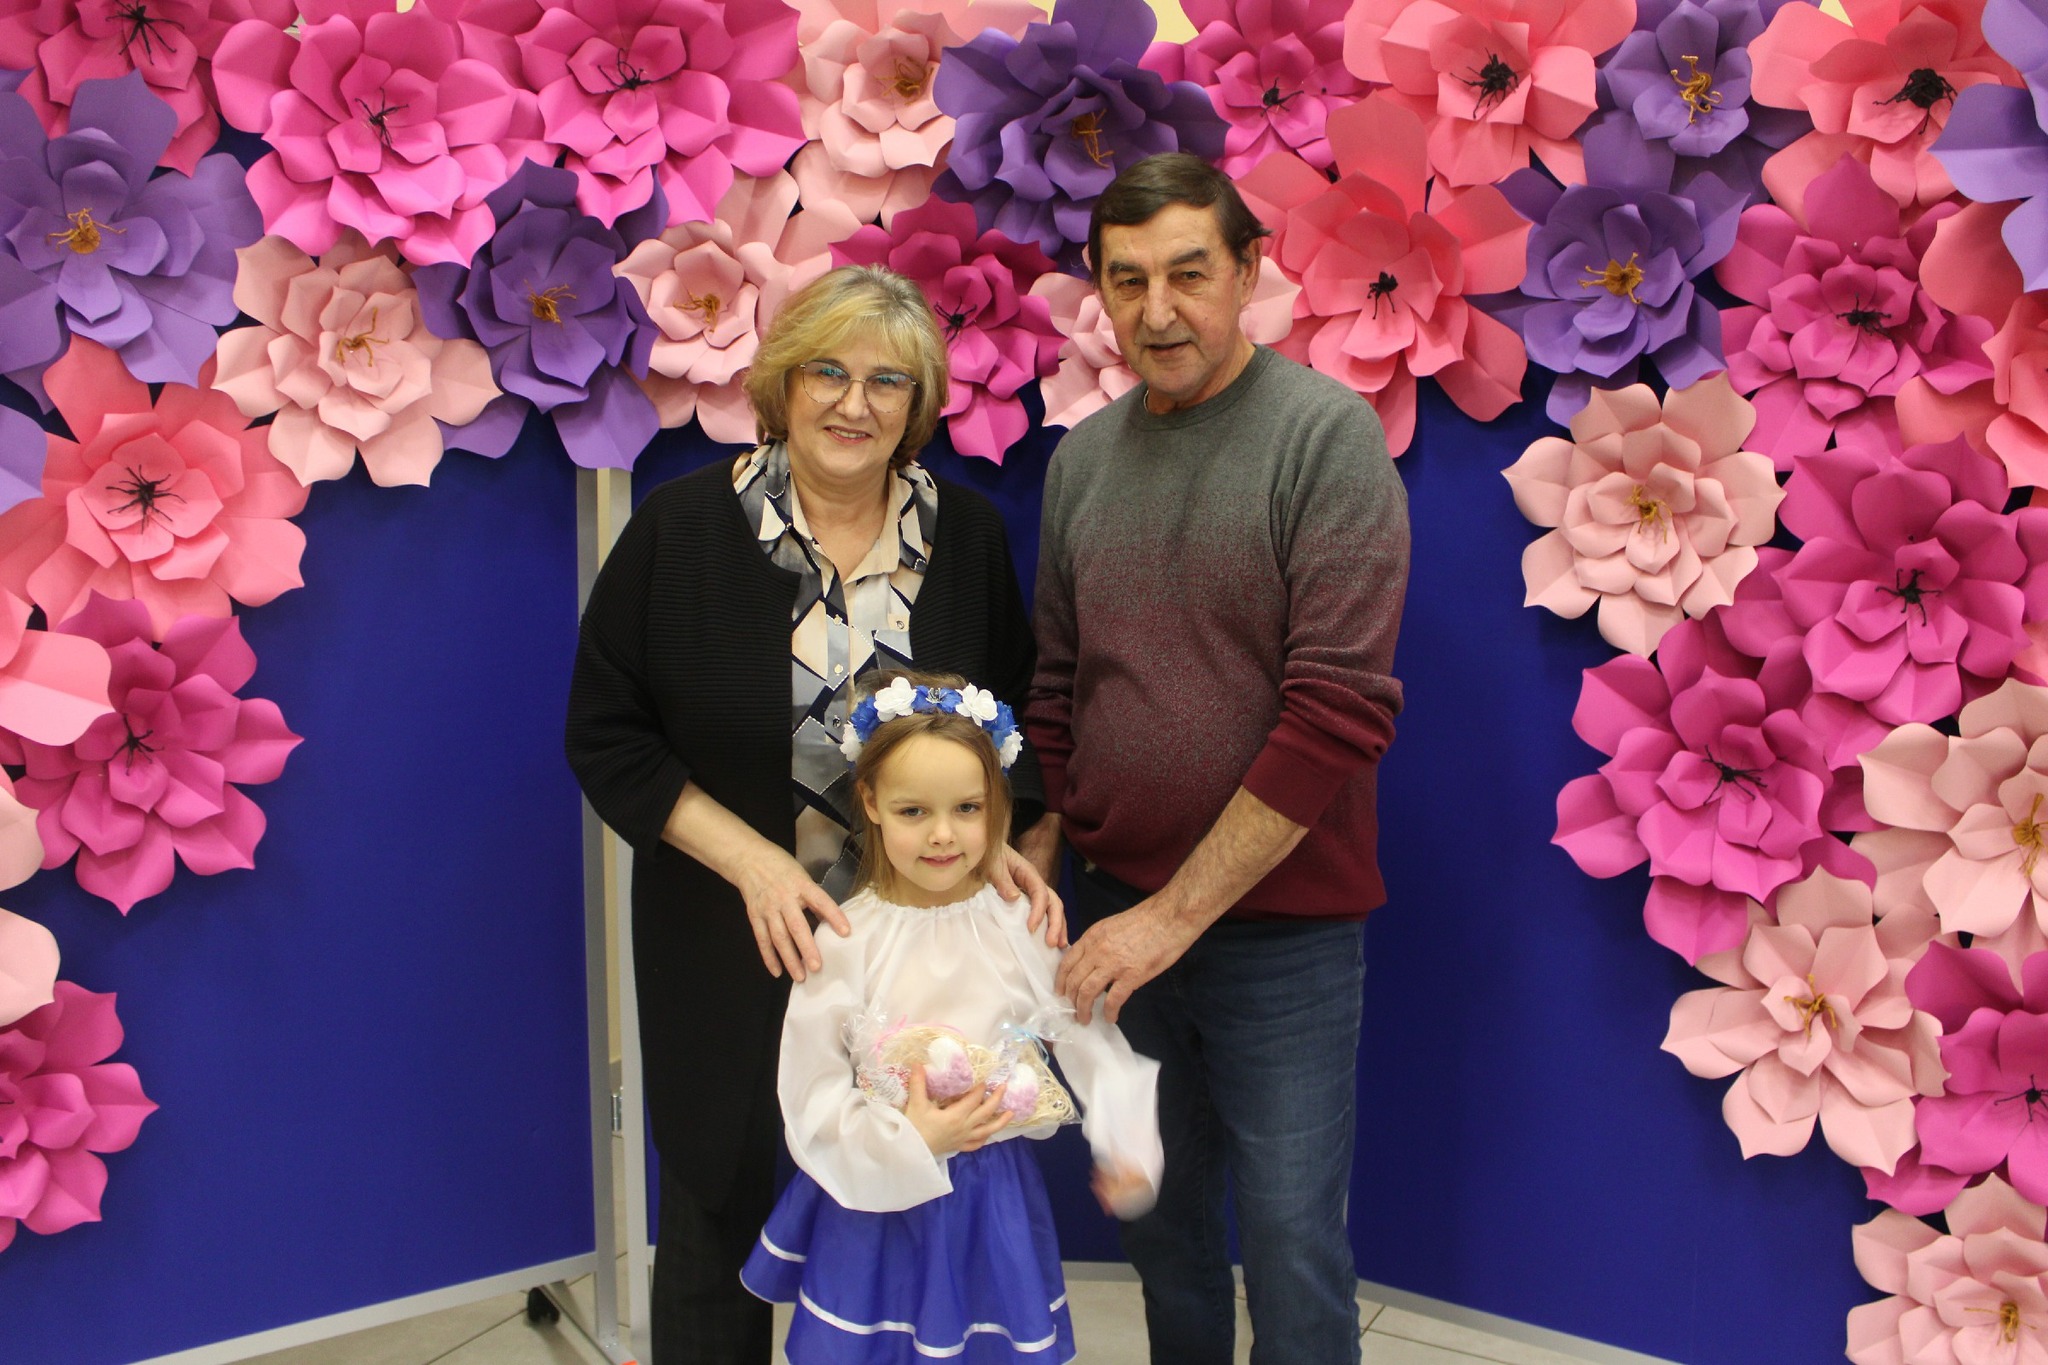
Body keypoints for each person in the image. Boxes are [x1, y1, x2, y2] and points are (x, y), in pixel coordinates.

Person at [564, 266, 1061, 1365]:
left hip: (918, 962)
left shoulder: (967, 539)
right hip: (733, 942)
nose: (854, 403)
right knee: (719, 1221)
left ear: (919, 405)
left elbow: (1018, 719)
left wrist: (1010, 841)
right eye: (827, 371)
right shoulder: (680, 530)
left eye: (888, 381)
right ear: (781, 383)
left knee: (913, 1226)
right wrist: (752, 863)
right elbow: (607, 733)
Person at [1019, 153, 1410, 1365]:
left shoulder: (1325, 439)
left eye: (1188, 273)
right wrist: (1035, 856)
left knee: (1290, 1242)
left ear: (1247, 272)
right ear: (1098, 288)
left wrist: (1172, 919)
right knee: (1160, 1227)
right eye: (1126, 280)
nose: (1157, 310)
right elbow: (1056, 689)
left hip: (1278, 939)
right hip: (1110, 923)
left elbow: (1336, 713)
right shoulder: (1081, 463)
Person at [741, 670, 1162, 1364]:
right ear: (871, 802)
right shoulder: (846, 938)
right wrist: (903, 1138)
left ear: (997, 802)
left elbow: (1088, 1037)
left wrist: (1130, 1145)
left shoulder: (1018, 927)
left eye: (967, 808)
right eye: (913, 811)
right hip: (877, 1202)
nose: (943, 835)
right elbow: (810, 1087)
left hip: (989, 1202)